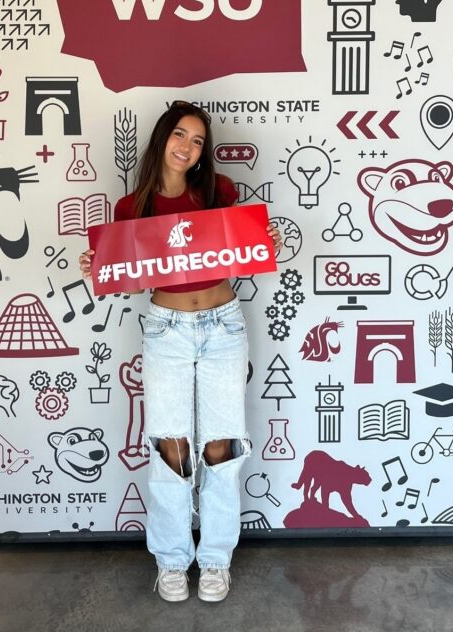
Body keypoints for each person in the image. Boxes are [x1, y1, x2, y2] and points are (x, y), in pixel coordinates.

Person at [80, 101, 281, 603]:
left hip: (224, 325)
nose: (188, 147)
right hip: (166, 330)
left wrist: (264, 240)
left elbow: (241, 249)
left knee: (221, 446)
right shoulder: (133, 209)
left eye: (197, 141)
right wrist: (99, 266)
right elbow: (126, 280)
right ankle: (172, 560)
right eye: (180, 135)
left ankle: (214, 560)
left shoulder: (219, 192)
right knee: (171, 449)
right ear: (161, 138)